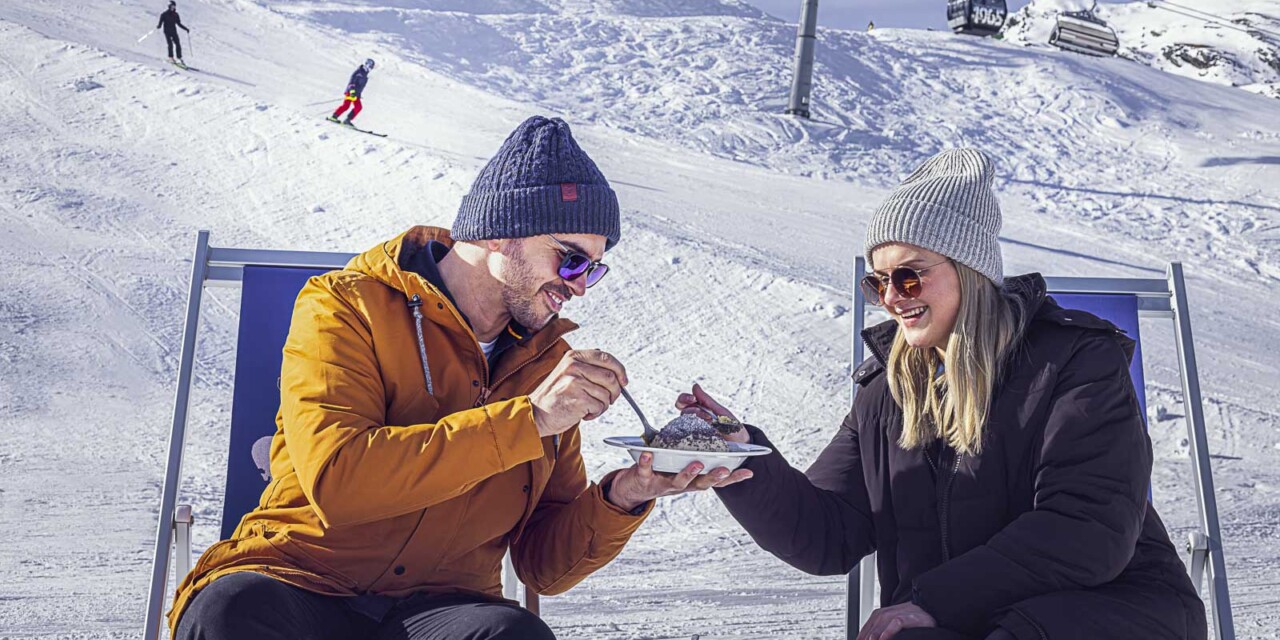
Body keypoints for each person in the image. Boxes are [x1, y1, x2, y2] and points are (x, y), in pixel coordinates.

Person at [167, 116, 751, 640]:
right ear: (499, 233)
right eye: (569, 257)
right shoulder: (347, 307)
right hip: (298, 579)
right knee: (231, 613)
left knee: (515, 635)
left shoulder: (548, 364)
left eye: (592, 269)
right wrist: (529, 420)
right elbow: (339, 481)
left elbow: (542, 567)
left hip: (442, 608)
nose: (578, 285)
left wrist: (623, 497)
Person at [682, 149, 1207, 640]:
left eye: (908, 278)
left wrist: (935, 600)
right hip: (963, 615)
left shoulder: (1074, 362)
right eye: (878, 282)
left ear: (970, 270)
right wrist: (742, 454)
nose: (890, 298)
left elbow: (1088, 528)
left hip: (1104, 610)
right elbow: (828, 535)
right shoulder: (887, 392)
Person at [329, 58, 374, 126]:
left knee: (354, 106)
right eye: (371, 65)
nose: (371, 68)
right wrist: (352, 91)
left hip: (356, 94)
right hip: (351, 92)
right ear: (366, 64)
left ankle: (344, 119)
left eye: (372, 66)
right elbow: (352, 82)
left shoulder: (365, 74)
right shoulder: (359, 72)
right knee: (351, 106)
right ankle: (337, 117)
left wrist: (358, 93)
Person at [156, 0, 190, 65]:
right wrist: (159, 26)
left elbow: (179, 24)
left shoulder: (176, 15)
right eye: (172, 6)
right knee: (170, 45)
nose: (173, 7)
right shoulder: (164, 14)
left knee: (178, 44)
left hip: (173, 31)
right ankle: (171, 57)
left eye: (174, 6)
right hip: (167, 31)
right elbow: (160, 23)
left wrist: (186, 29)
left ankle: (179, 58)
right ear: (169, 6)